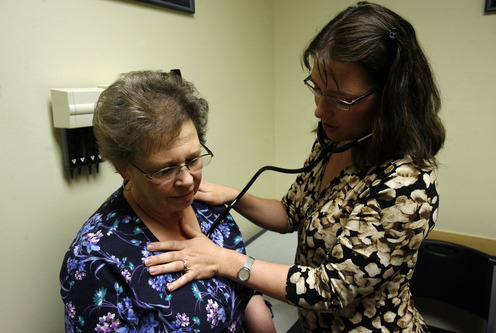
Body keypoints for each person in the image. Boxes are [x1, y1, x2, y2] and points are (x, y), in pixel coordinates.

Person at [144, 2, 446, 332]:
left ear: (390, 97)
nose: (319, 110)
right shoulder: (340, 140)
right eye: (317, 89)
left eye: (339, 98)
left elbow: (331, 288)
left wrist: (225, 260)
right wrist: (233, 196)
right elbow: (291, 213)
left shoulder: (407, 184)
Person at [59, 70, 275, 332]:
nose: (187, 181)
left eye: (193, 160)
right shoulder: (97, 261)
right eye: (164, 170)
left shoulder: (205, 205)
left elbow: (241, 283)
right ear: (123, 167)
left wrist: (261, 317)